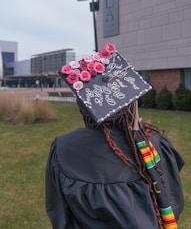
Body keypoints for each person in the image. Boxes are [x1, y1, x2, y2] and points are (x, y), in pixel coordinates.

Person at [45, 43, 184, 229]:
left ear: (83, 107)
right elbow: (172, 199)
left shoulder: (64, 149)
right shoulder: (155, 143)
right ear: (132, 103)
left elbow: (60, 214)